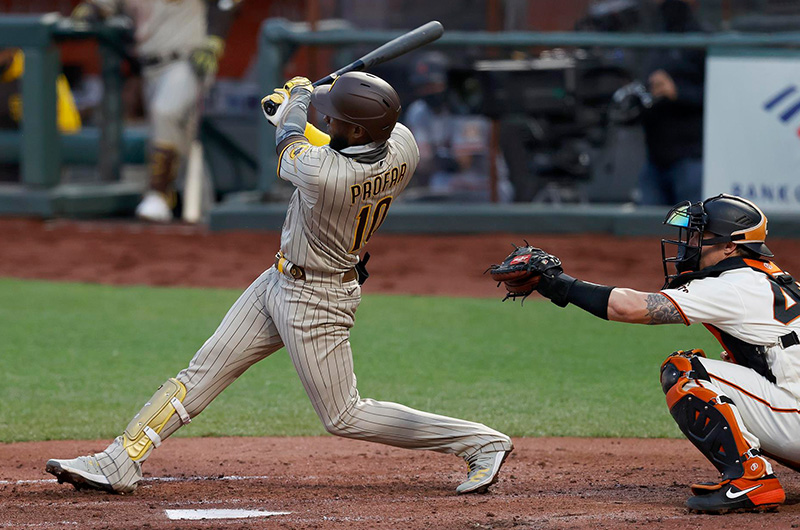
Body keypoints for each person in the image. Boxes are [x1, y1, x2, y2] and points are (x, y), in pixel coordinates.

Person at [45, 72, 513, 496]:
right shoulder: (403, 144)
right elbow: (323, 143)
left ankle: (480, 442)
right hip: (279, 280)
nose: (327, 120)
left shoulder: (324, 175)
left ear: (355, 130)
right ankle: (120, 461)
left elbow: (293, 146)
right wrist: (296, 114)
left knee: (343, 415)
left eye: (336, 118)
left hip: (318, 300)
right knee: (202, 372)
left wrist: (297, 100)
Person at [494, 194, 798, 513]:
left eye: (701, 236)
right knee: (731, 368)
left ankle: (753, 479)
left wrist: (558, 283)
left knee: (686, 372)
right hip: (794, 419)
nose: (690, 243)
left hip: (795, 424)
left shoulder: (733, 284)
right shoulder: (772, 280)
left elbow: (629, 308)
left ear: (730, 246)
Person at [71, 0, 242, 222]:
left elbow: (227, 4)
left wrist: (214, 39)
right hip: (149, 69)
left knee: (165, 112)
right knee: (177, 138)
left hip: (187, 60)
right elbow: (101, 6)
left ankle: (158, 195)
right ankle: (202, 212)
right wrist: (89, 11)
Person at [636, 0, 705, 206]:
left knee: (691, 231)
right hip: (654, 159)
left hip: (689, 158)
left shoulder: (701, 39)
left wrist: (677, 92)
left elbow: (717, 96)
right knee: (646, 233)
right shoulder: (653, 38)